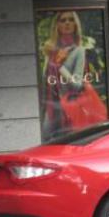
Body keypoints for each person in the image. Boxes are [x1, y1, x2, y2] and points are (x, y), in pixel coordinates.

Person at [40, 11, 88, 140]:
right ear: (57, 26)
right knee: (45, 140)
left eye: (71, 19)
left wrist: (59, 66)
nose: (67, 23)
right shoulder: (50, 50)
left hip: (69, 107)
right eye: (63, 20)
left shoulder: (79, 51)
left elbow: (77, 85)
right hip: (51, 106)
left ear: (75, 24)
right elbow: (45, 82)